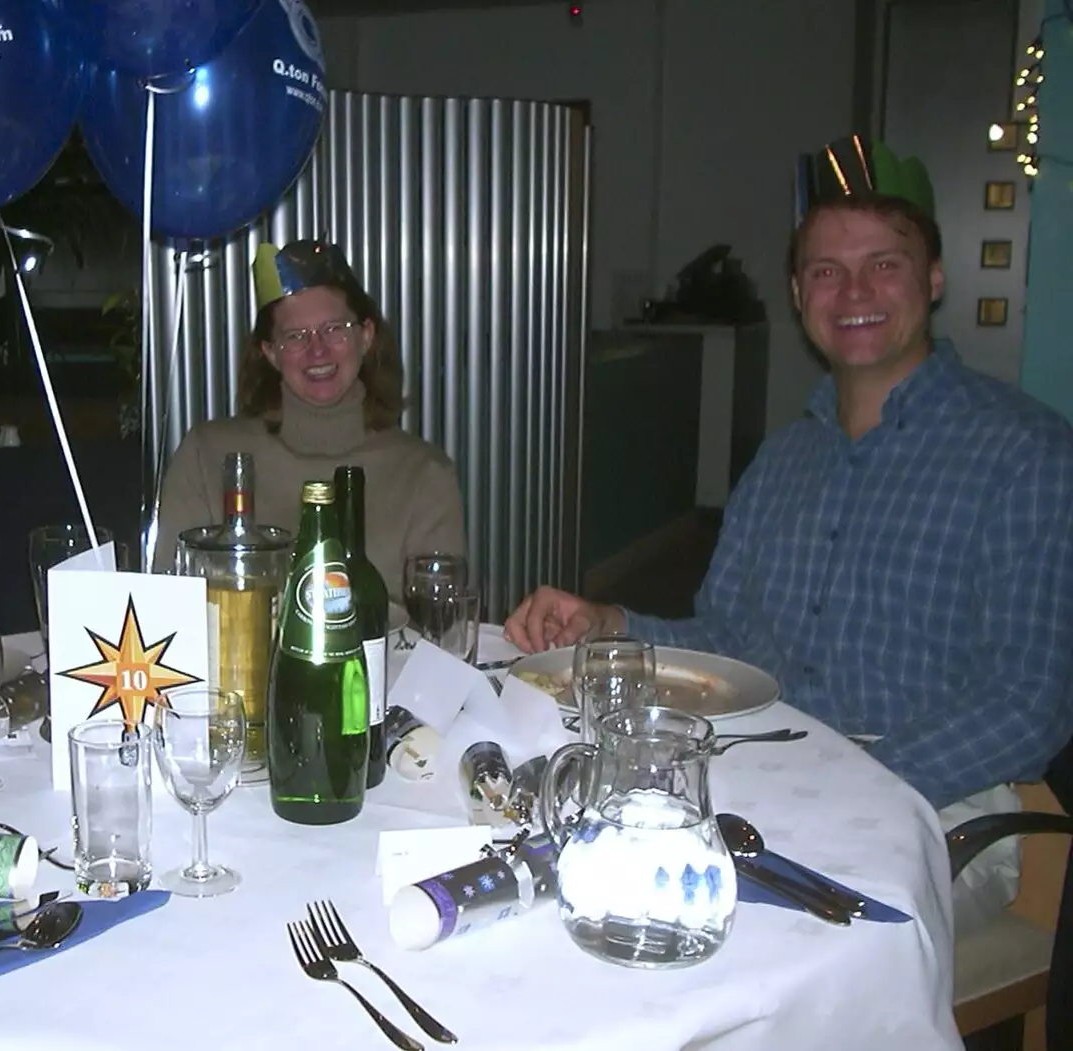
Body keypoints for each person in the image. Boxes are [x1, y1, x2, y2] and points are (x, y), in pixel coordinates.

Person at [505, 140, 1073, 932]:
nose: (854, 292)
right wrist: (612, 627)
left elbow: (1029, 703)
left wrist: (854, 775)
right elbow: (731, 647)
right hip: (770, 779)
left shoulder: (1027, 455)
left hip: (937, 812)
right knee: (585, 875)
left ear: (933, 279)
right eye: (826, 271)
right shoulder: (781, 461)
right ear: (799, 293)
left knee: (734, 935)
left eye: (885, 264)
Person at [155, 239, 465, 597]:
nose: (317, 350)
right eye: (296, 336)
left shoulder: (425, 474)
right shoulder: (208, 456)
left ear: (365, 336)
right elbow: (170, 602)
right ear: (270, 353)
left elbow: (440, 629)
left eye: (334, 329)